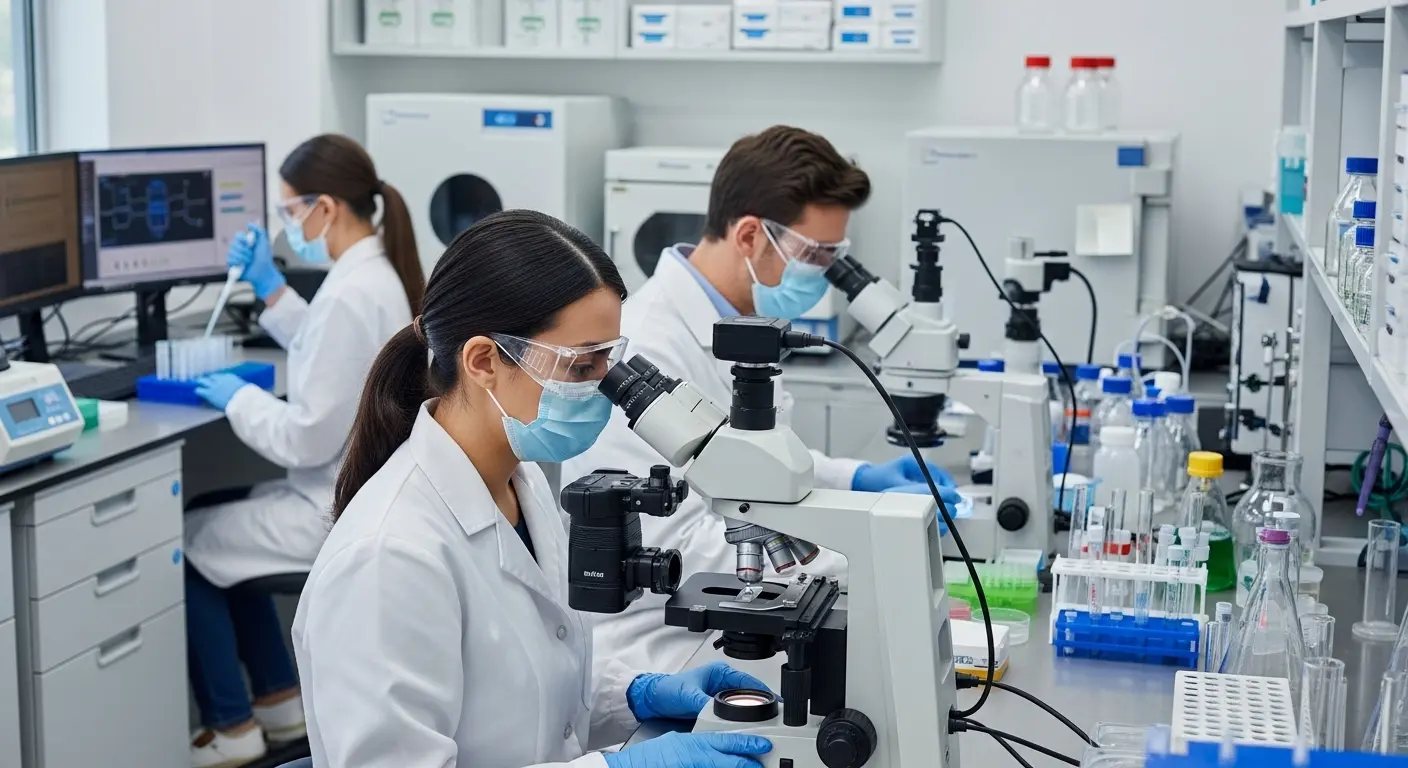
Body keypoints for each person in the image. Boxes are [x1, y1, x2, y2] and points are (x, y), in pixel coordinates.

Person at [291, 210, 775, 768]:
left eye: (609, 362)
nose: (605, 390)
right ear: (483, 361)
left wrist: (634, 694)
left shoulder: (523, 488)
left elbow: (533, 695)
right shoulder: (388, 556)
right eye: (580, 366)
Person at [562, 125, 961, 677]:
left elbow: (752, 467)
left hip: (748, 610)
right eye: (814, 255)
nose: (824, 274)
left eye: (833, 256)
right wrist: (861, 549)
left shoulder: (743, 322)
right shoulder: (647, 345)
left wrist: (857, 479)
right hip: (666, 645)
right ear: (750, 235)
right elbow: (667, 540)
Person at [183, 134, 424, 767]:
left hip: (329, 505)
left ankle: (232, 728)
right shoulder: (371, 273)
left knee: (184, 541)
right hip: (343, 489)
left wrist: (235, 399)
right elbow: (331, 351)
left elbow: (304, 434)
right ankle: (278, 698)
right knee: (219, 515)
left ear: (328, 207)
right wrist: (269, 289)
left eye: (292, 212)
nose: (290, 226)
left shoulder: (351, 290)